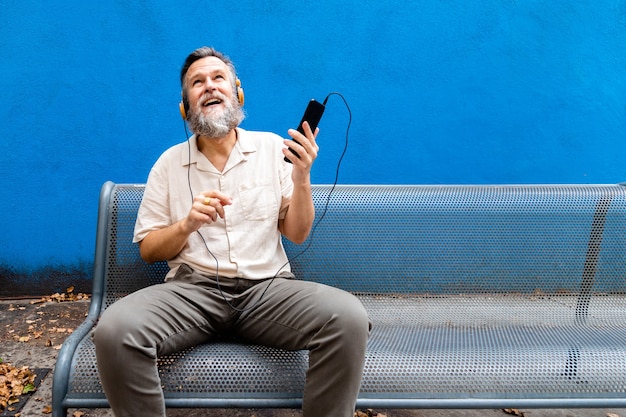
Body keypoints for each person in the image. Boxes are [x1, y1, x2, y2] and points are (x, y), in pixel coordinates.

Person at [93, 46, 371, 417]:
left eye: (217, 78)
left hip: (268, 290)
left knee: (349, 318)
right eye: (197, 83)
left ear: (237, 92)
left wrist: (302, 178)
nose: (209, 87)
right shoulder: (168, 164)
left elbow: (298, 233)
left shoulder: (274, 149)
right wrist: (187, 224)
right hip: (193, 292)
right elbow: (149, 249)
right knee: (114, 330)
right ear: (185, 107)